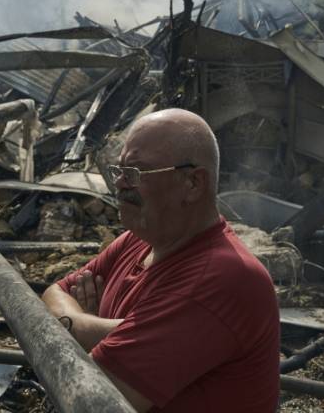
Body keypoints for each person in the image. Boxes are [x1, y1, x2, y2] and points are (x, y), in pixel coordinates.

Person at [42, 108, 280, 412]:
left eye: (136, 172)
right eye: (120, 171)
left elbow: (91, 397)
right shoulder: (138, 240)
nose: (120, 183)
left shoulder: (223, 277)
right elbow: (54, 293)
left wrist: (74, 328)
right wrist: (109, 330)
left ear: (193, 183)